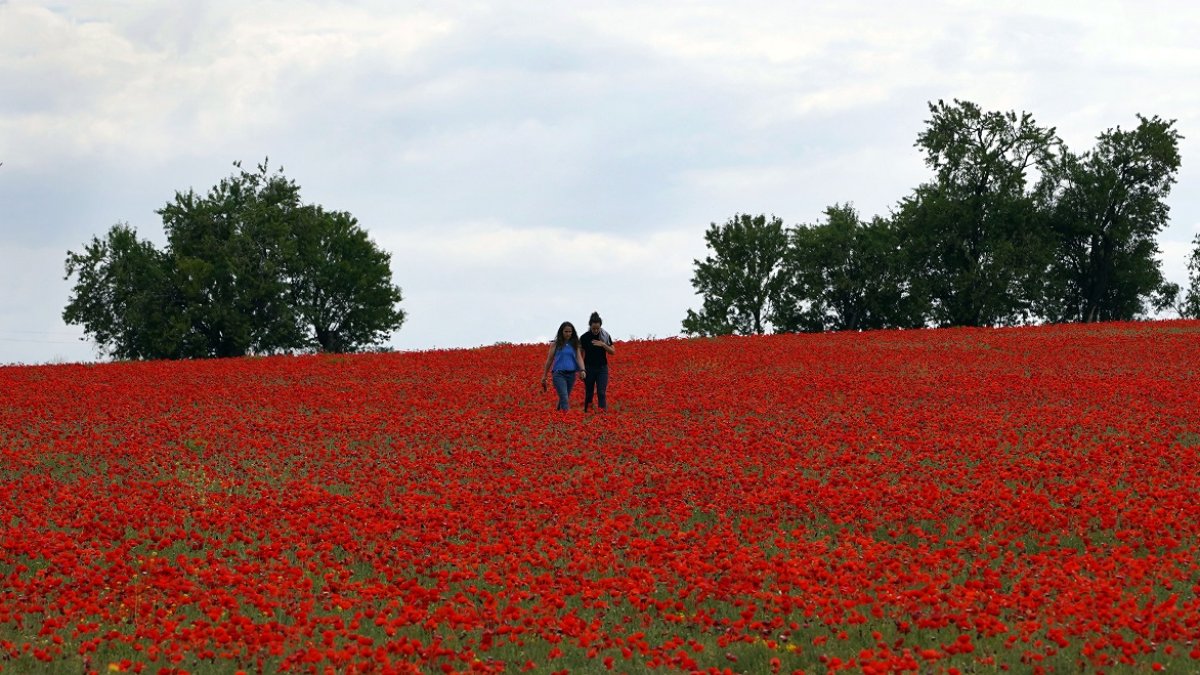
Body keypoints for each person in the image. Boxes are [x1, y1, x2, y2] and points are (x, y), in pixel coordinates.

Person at [541, 321, 586, 411]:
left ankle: (558, 416)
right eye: (566, 331)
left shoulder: (575, 344)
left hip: (571, 374)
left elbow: (579, 357)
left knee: (564, 397)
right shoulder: (555, 344)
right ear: (561, 332)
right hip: (558, 374)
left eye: (570, 332)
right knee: (564, 397)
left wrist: (582, 370)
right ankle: (566, 418)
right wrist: (544, 376)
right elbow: (549, 360)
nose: (568, 334)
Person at [579, 311, 615, 411]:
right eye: (593, 328)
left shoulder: (605, 336)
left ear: (600, 326)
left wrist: (603, 344)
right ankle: (587, 413)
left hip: (602, 368)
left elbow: (612, 351)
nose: (595, 330)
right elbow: (580, 355)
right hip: (588, 368)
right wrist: (581, 369)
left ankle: (602, 415)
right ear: (590, 326)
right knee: (589, 392)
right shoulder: (584, 337)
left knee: (601, 392)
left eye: (597, 328)